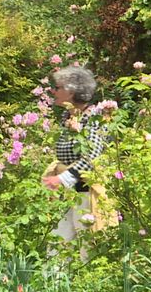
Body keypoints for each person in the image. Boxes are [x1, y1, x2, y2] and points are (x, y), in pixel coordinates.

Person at [41, 65, 113, 242]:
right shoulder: (68, 115)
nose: (53, 91)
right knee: (57, 246)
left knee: (87, 248)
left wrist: (62, 178)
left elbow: (92, 155)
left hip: (87, 194)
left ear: (72, 92)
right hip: (68, 195)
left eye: (58, 88)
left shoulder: (94, 117)